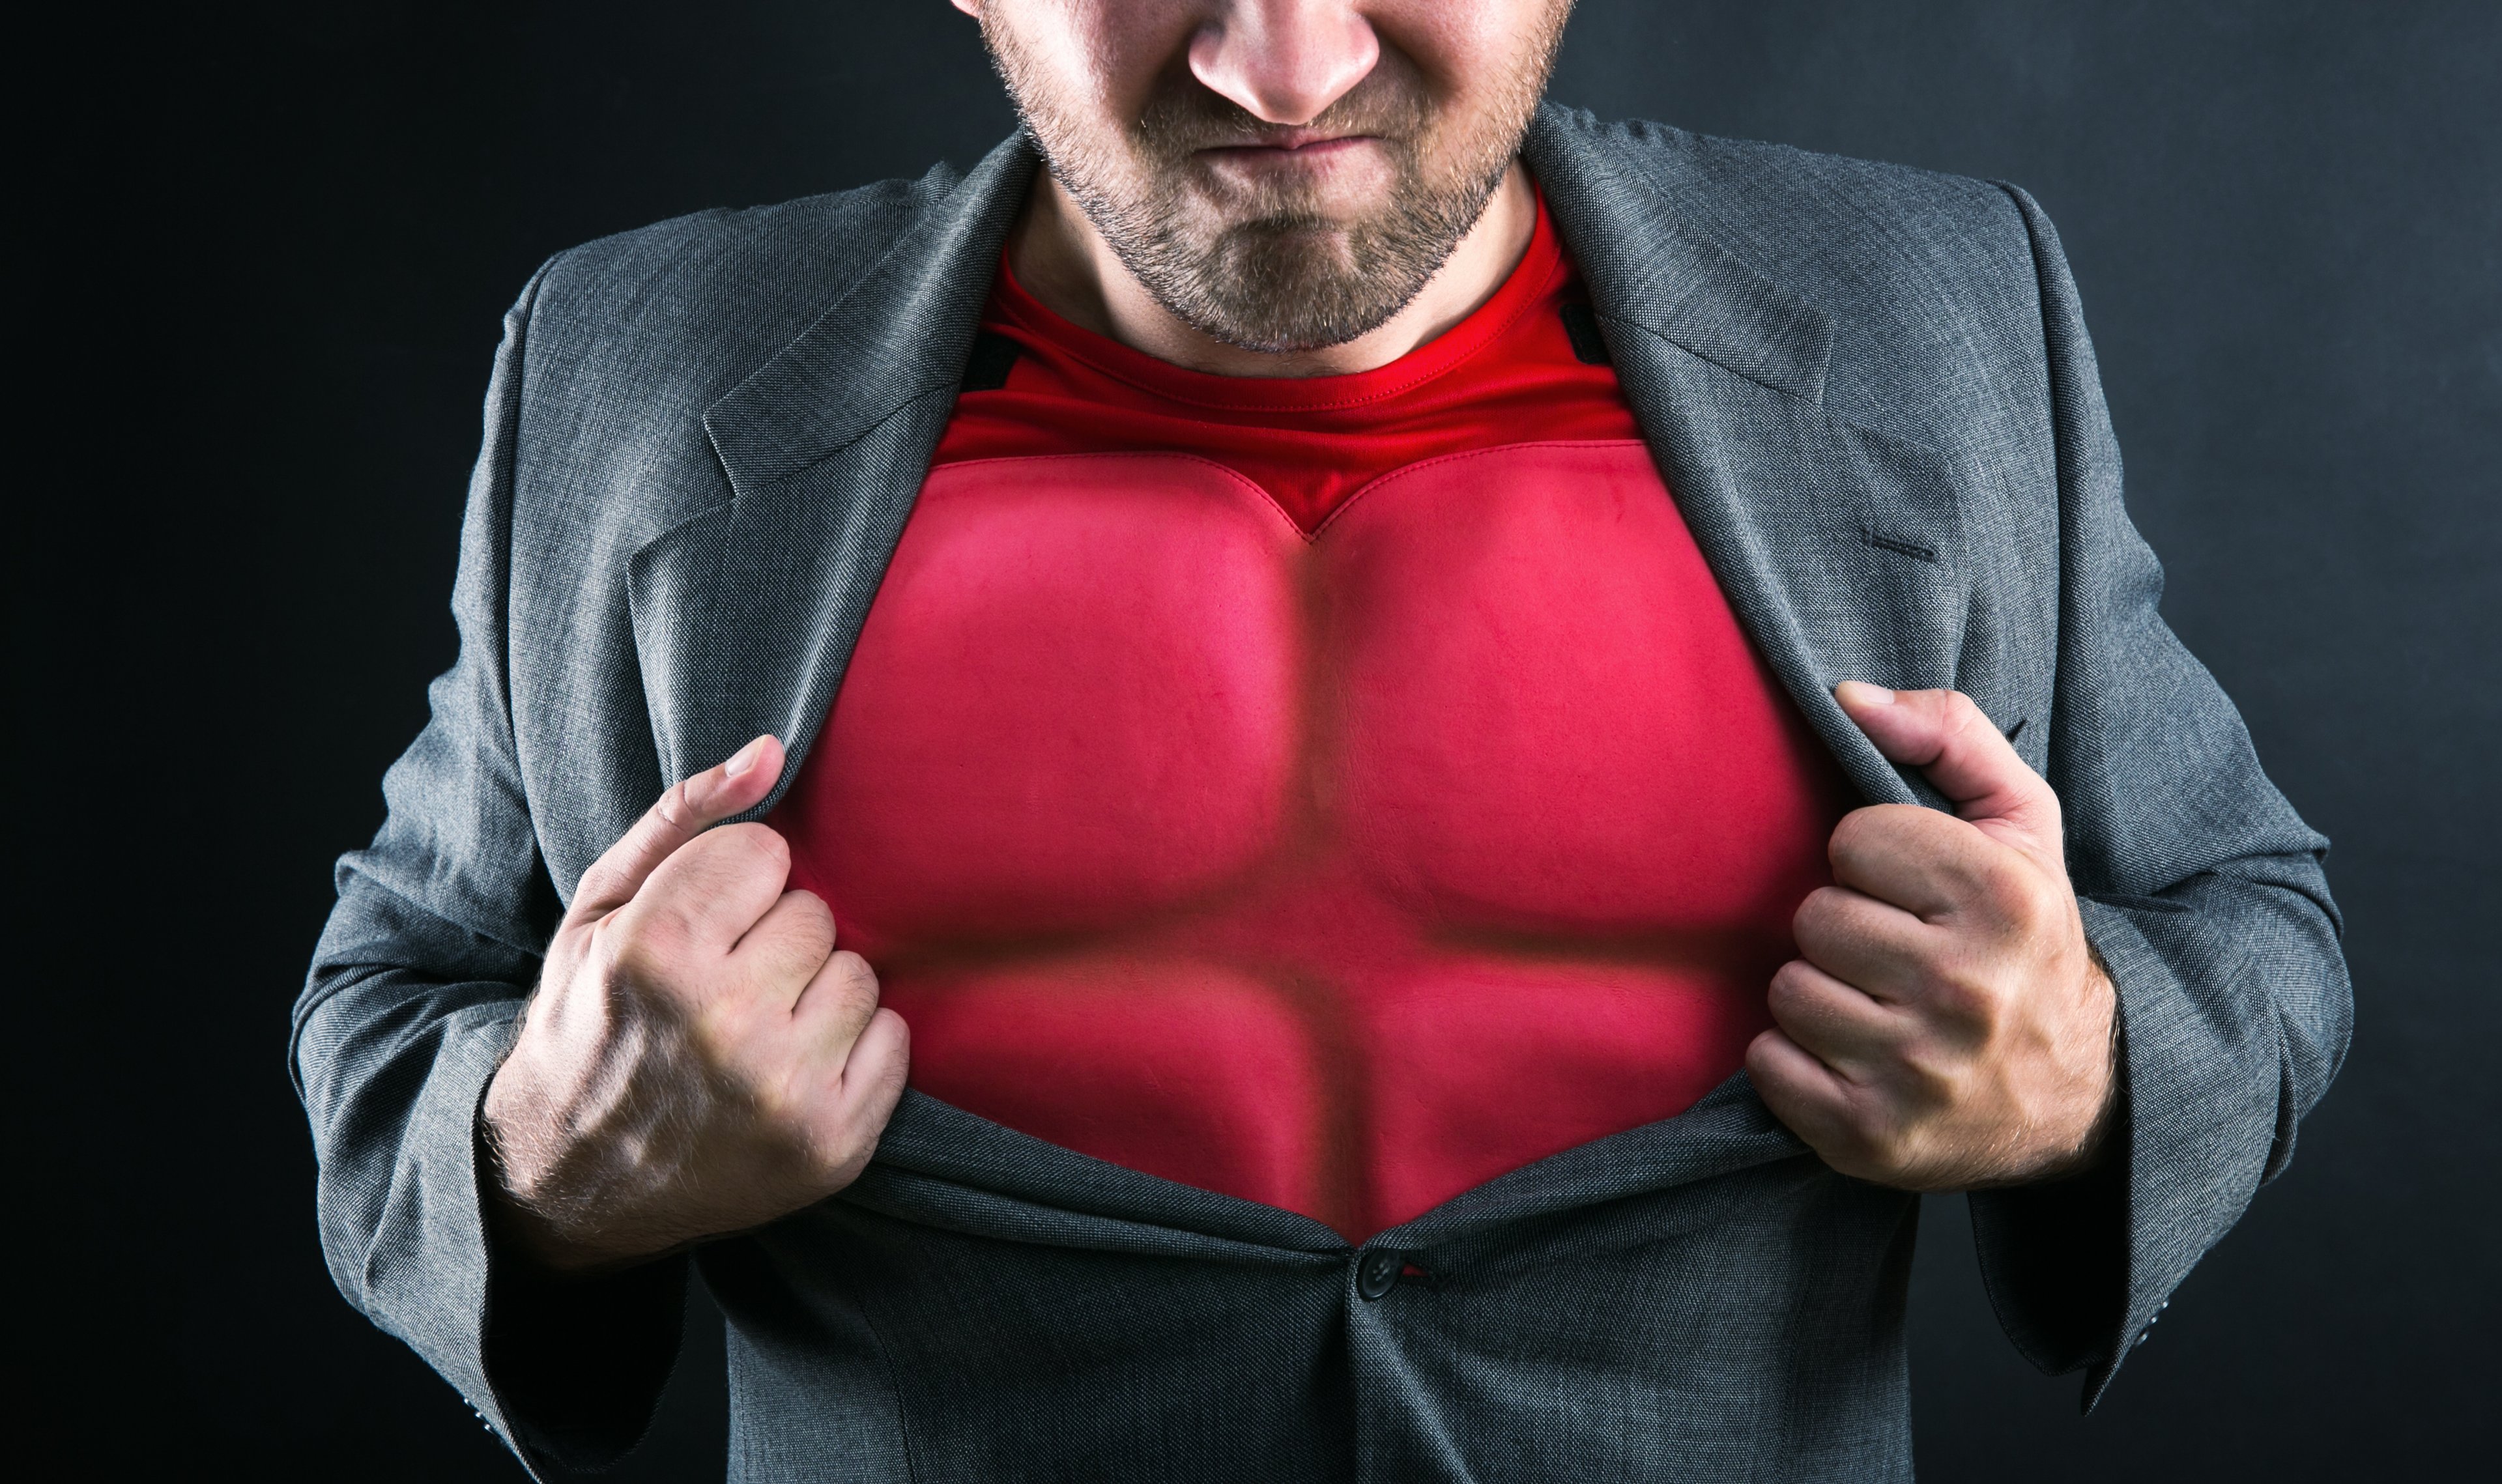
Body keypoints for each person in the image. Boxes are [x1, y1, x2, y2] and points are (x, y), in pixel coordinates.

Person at [293, 1, 2350, 1478]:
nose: (1281, 64)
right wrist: (540, 1160)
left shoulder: (1942, 312)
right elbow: (390, 1001)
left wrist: (2082, 1073)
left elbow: (2254, 920)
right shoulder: (634, 374)